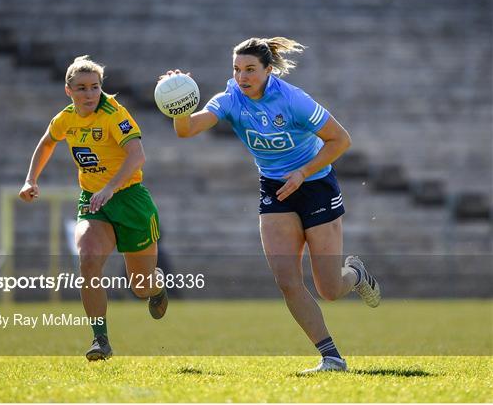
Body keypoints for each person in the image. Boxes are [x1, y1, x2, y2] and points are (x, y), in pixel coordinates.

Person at [160, 37, 380, 373]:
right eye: (236, 69)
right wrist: (178, 106)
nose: (242, 76)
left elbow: (341, 139)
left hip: (316, 185)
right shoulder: (231, 98)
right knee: (287, 280)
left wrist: (303, 173)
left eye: (250, 69)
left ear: (268, 70)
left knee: (330, 289)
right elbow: (188, 130)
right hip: (274, 189)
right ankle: (331, 357)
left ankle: (357, 273)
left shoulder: (293, 100)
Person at [19, 55, 168, 361]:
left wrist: (109, 188)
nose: (89, 94)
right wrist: (30, 179)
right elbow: (47, 142)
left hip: (129, 199)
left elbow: (137, 156)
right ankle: (100, 339)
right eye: (82, 88)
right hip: (93, 200)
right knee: (88, 260)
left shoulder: (114, 113)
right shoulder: (65, 119)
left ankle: (157, 287)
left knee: (140, 286)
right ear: (68, 90)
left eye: (95, 87)